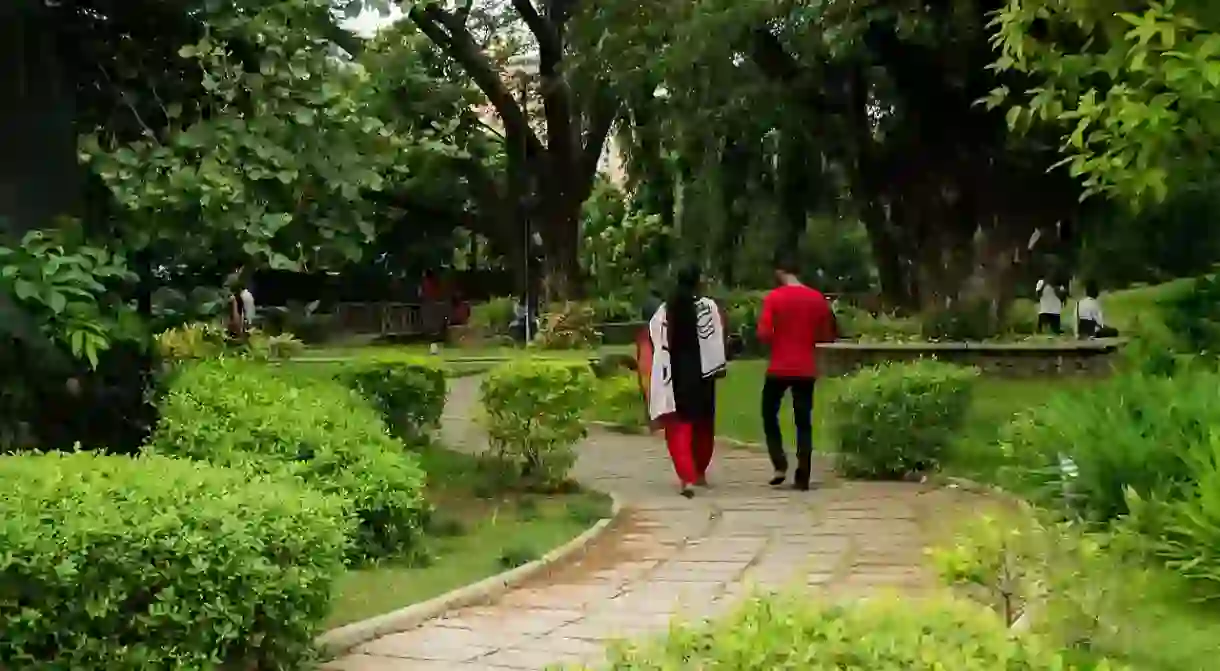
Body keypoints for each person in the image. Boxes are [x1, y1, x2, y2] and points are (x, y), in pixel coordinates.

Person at [640, 265, 727, 498]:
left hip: (676, 372)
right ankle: (699, 471)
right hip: (704, 372)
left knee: (679, 426)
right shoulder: (708, 307)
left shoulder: (666, 310)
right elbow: (718, 337)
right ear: (698, 281)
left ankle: (686, 477)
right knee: (703, 425)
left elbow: (656, 341)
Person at [757, 256, 837, 491]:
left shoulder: (774, 298)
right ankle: (803, 474)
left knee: (768, 412)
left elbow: (764, 333)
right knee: (803, 421)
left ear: (780, 272)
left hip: (779, 365)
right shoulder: (816, 299)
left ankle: (779, 462)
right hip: (805, 366)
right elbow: (825, 334)